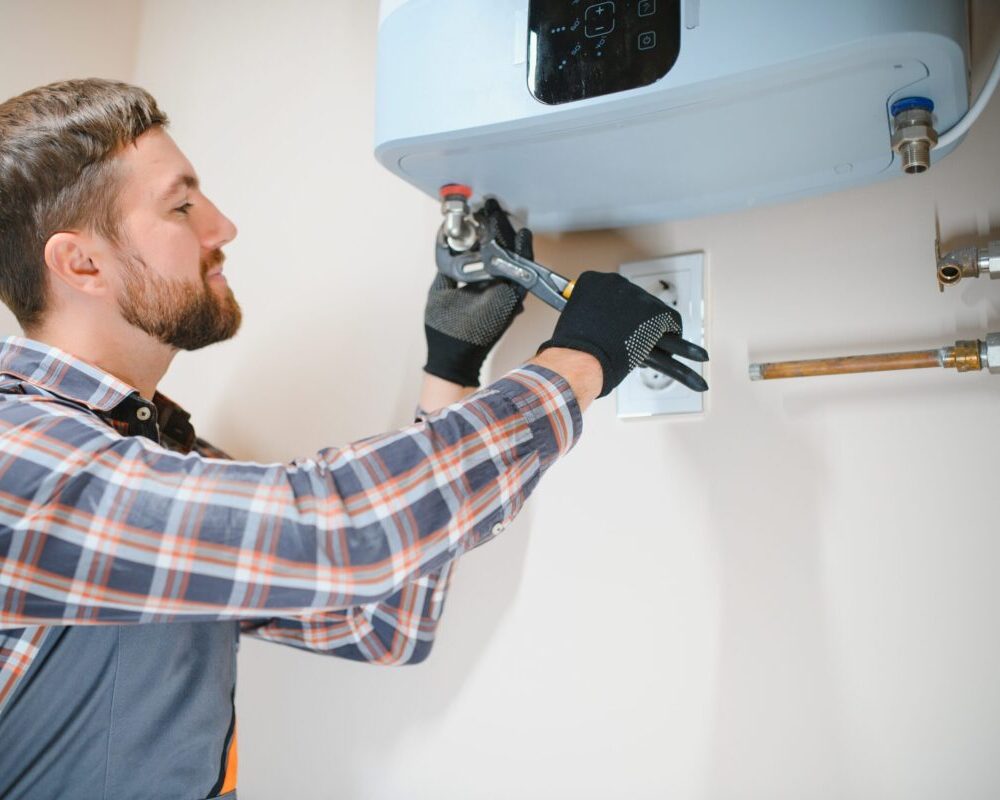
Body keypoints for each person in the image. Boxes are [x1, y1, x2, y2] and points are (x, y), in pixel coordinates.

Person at [0, 79, 707, 799]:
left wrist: (452, 364)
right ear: (81, 263)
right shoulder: (16, 460)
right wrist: (578, 362)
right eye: (181, 206)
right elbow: (345, 530)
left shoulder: (150, 454)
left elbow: (383, 623)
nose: (222, 227)